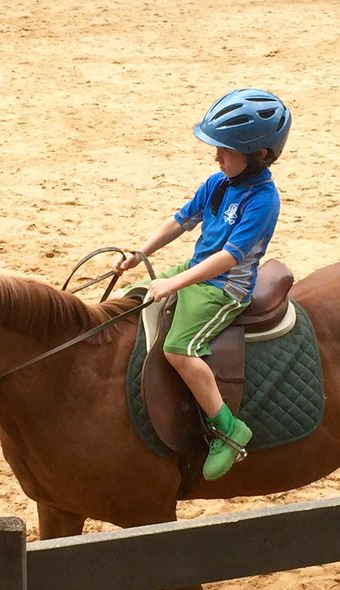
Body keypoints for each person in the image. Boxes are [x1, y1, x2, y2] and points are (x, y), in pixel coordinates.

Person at [113, 88, 291, 481]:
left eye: (226, 150)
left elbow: (229, 258)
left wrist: (175, 281)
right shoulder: (219, 182)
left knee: (180, 348)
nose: (216, 157)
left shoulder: (263, 201)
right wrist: (138, 253)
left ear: (259, 154)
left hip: (223, 287)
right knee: (138, 297)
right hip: (196, 268)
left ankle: (227, 429)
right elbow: (181, 220)